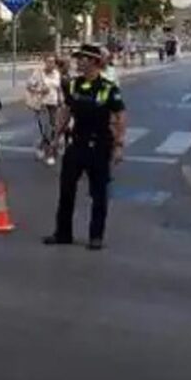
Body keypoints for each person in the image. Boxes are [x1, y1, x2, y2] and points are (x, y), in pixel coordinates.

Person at [43, 44, 128, 250]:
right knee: (66, 189)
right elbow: (67, 112)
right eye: (78, 58)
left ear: (94, 62)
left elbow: (120, 117)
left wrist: (118, 145)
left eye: (82, 58)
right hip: (77, 142)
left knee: (98, 193)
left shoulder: (109, 89)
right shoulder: (74, 85)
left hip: (100, 145)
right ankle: (63, 233)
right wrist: (55, 139)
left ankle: (95, 236)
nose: (78, 61)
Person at [25, 54, 63, 166]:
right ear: (45, 62)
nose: (51, 64)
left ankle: (41, 147)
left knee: (54, 128)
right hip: (42, 104)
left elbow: (58, 87)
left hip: (54, 103)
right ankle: (49, 154)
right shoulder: (38, 74)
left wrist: (61, 98)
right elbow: (29, 86)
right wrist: (39, 90)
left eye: (53, 62)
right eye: (49, 61)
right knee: (46, 129)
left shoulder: (57, 73)